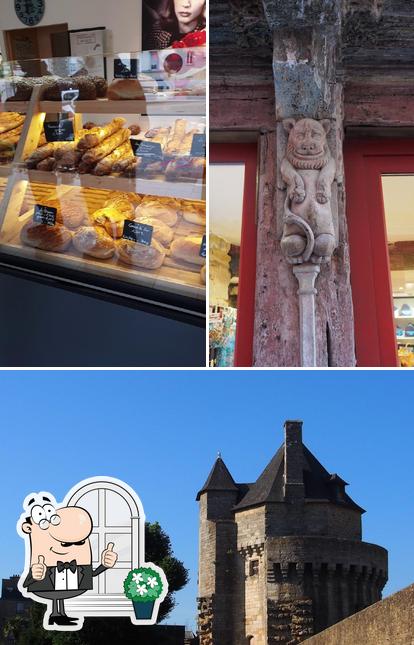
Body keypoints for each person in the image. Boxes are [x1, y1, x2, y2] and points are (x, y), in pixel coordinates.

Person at [18, 493, 118, 629]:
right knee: (56, 594)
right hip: (49, 585)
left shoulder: (78, 566)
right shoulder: (42, 564)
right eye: (65, 543)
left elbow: (92, 574)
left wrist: (105, 565)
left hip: (66, 585)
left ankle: (59, 614)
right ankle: (55, 614)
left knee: (59, 595)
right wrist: (34, 576)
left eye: (80, 542)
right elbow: (26, 583)